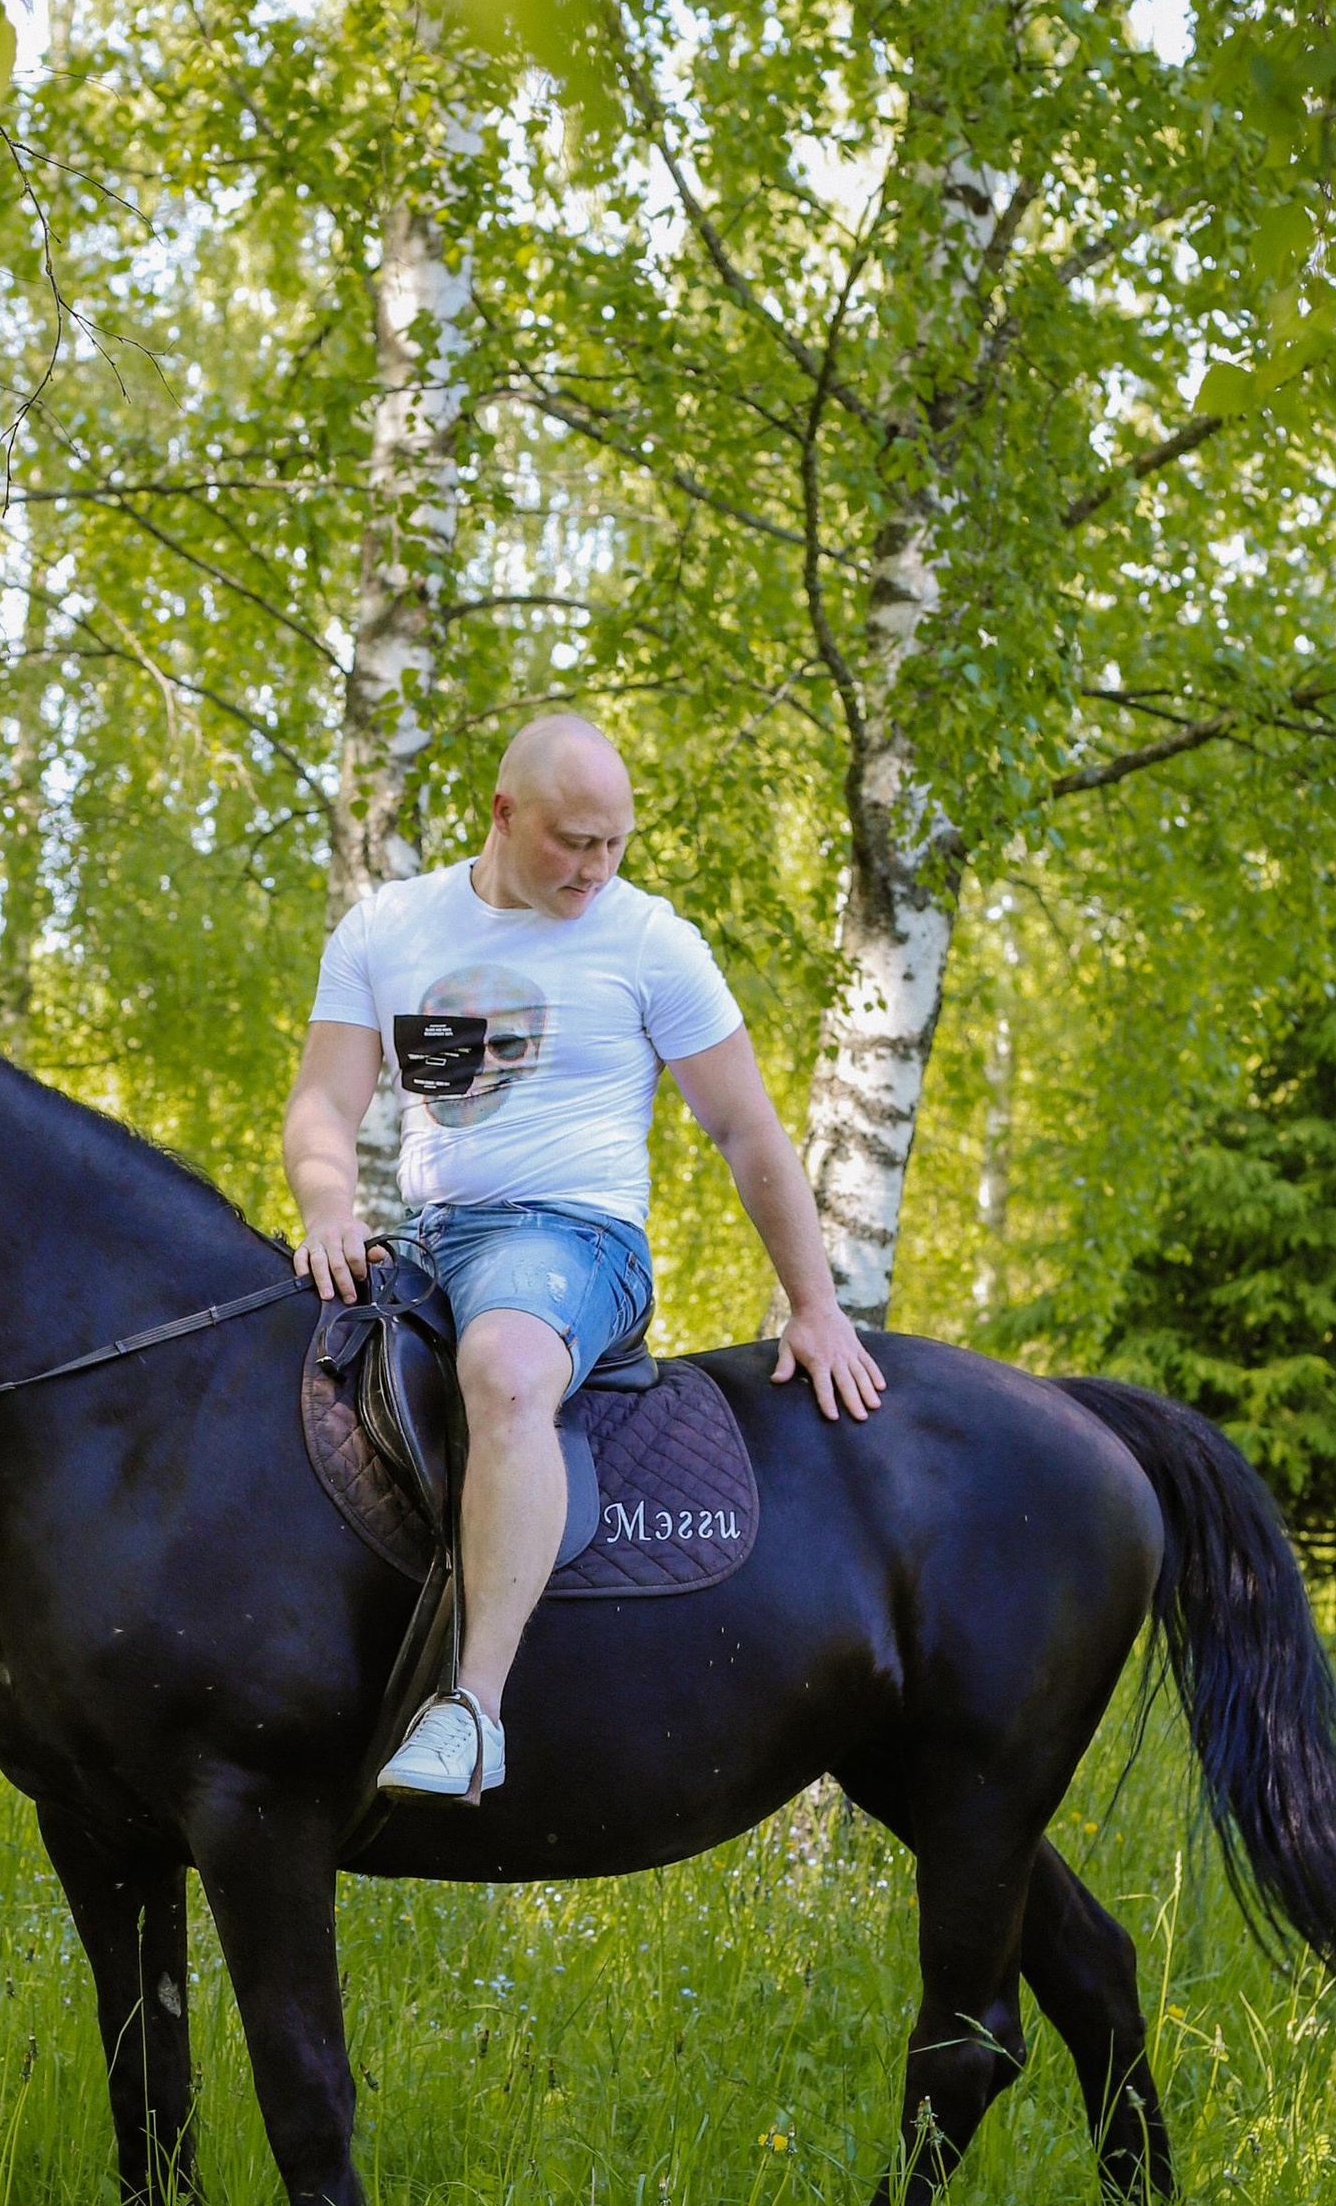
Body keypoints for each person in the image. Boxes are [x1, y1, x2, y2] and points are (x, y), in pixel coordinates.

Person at [284, 710, 886, 1799]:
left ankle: (471, 1714)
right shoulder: (388, 929)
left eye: (614, 843)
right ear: (504, 814)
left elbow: (746, 1128)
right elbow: (325, 1099)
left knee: (507, 1367)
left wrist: (815, 1303)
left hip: (574, 1237)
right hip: (422, 1244)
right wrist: (328, 1206)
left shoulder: (649, 942)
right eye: (573, 841)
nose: (595, 869)